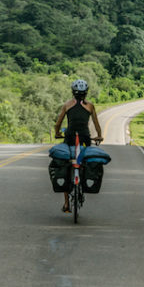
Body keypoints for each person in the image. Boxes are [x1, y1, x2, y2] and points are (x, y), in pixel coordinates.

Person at [53, 79, 103, 213]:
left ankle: (66, 203)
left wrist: (58, 133)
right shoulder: (90, 106)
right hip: (85, 138)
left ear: (72, 92)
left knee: (65, 162)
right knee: (84, 159)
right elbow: (96, 124)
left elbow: (58, 124)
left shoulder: (67, 105)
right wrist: (99, 135)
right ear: (86, 93)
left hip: (69, 137)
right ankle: (84, 177)